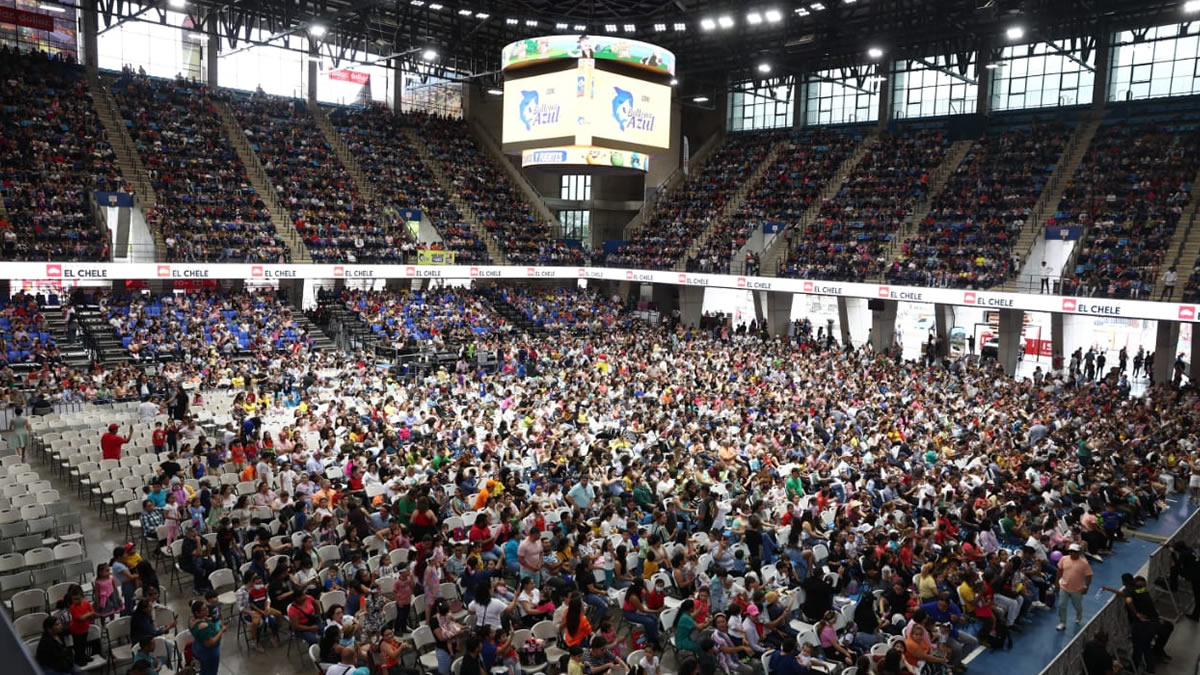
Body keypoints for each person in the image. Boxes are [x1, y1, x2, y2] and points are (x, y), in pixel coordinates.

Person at [1056, 543, 1093, 631]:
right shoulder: (1064, 559)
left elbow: (1089, 575)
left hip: (1077, 589)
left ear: (1078, 553)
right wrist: (1056, 583)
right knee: (1062, 605)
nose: (1072, 553)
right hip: (1064, 586)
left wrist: (1086, 587)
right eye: (1071, 551)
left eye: (1075, 552)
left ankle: (1079, 614)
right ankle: (1062, 622)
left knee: (1077, 605)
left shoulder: (1084, 563)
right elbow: (1059, 571)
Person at [188, 599, 226, 675]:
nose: (207, 610)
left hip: (198, 646)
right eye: (204, 610)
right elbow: (210, 643)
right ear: (197, 613)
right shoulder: (202, 626)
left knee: (204, 669)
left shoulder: (191, 620)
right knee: (211, 672)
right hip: (209, 652)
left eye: (206, 608)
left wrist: (205, 619)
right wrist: (221, 630)